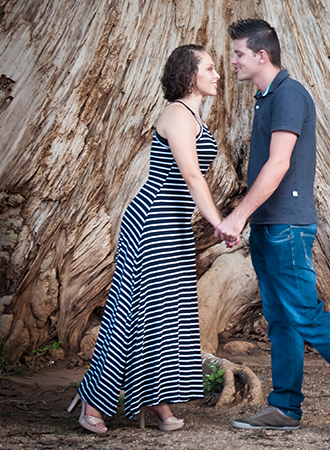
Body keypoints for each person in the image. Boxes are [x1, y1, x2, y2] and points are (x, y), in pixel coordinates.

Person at [215, 19, 330, 439]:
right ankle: (284, 408)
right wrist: (249, 218)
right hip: (269, 225)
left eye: (239, 53)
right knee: (280, 319)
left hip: (288, 228)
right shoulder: (265, 98)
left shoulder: (290, 95)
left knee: (306, 315)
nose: (233, 60)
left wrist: (238, 215)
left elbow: (279, 163)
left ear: (262, 55)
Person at [67, 45, 224, 434]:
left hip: (172, 224)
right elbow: (191, 176)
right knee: (131, 314)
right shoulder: (176, 115)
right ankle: (93, 399)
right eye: (209, 67)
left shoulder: (192, 116)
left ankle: (156, 400)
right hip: (151, 220)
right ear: (190, 75)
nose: (217, 74)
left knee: (169, 315)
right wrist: (220, 223)